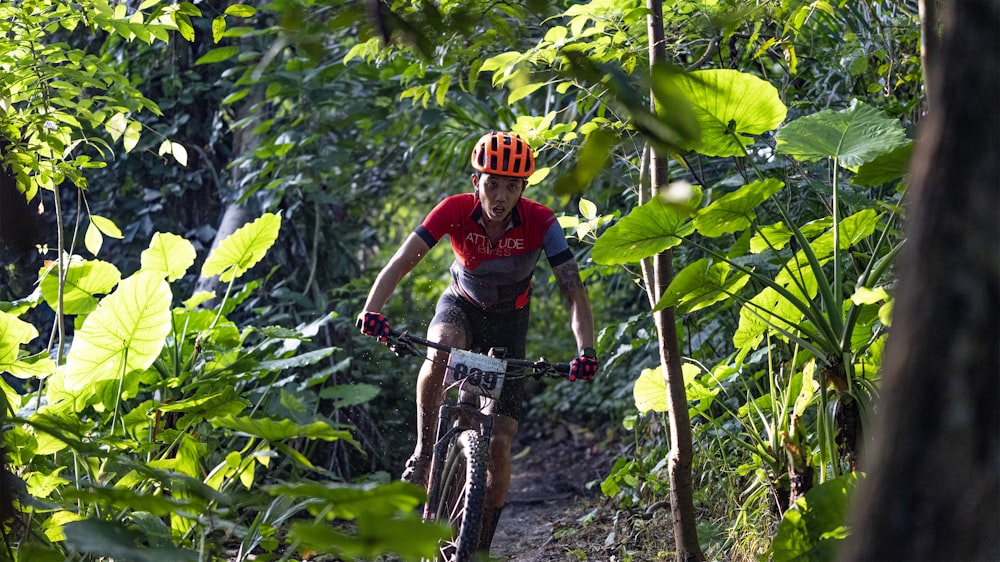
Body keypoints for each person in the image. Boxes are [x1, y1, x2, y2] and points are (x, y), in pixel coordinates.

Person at [357, 131, 598, 553]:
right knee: (441, 347)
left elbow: (572, 290)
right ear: (476, 182)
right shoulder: (453, 211)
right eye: (492, 183)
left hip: (510, 322)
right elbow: (400, 263)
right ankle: (424, 451)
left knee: (500, 440)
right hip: (461, 306)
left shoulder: (542, 222)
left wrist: (586, 351)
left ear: (524, 188)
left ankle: (479, 544)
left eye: (511, 185)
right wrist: (373, 309)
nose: (500, 195)